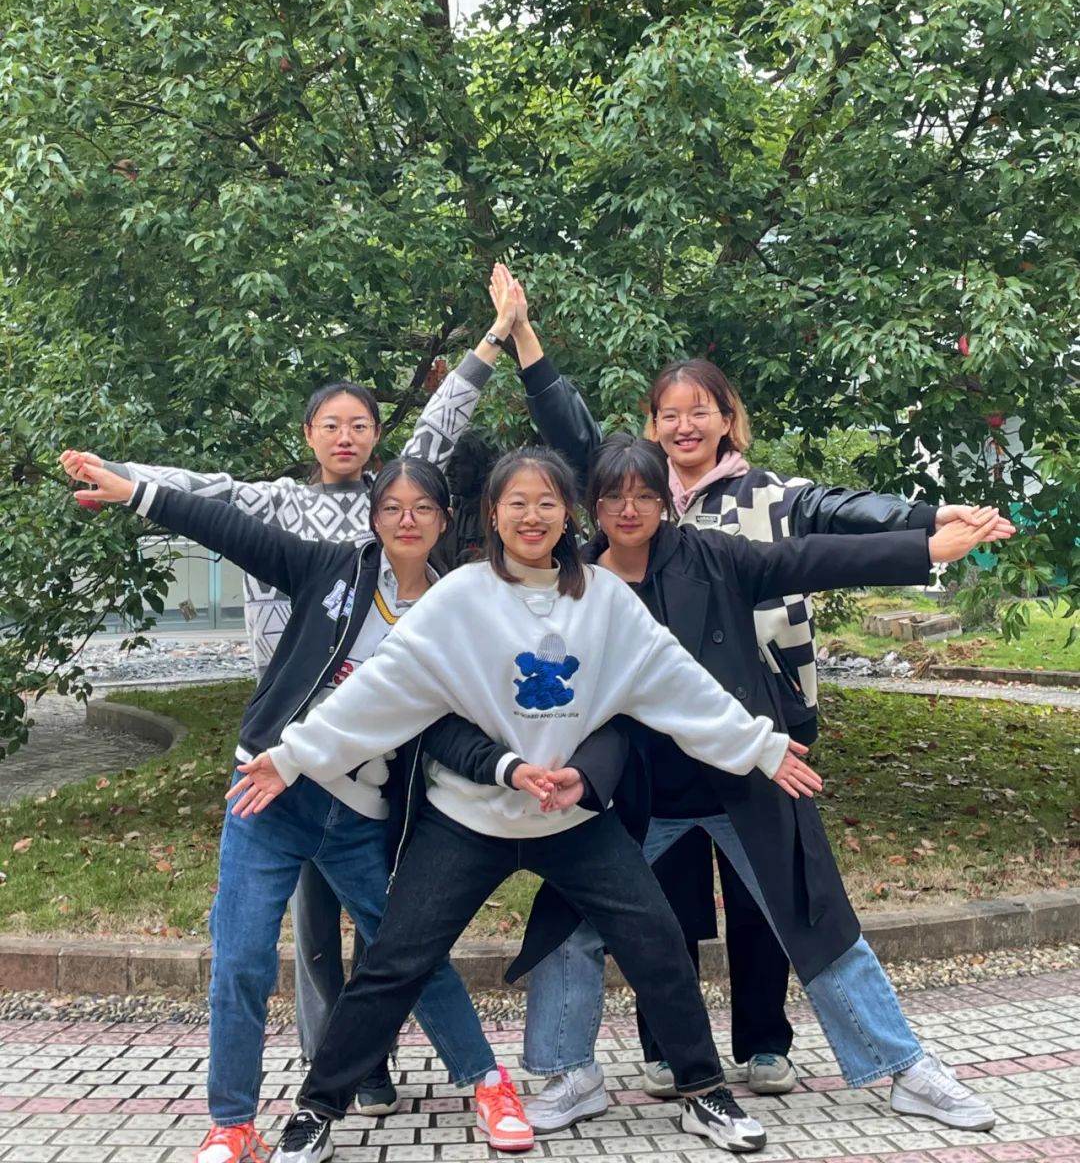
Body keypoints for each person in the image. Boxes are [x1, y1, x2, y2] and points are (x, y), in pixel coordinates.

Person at [76, 446, 845, 1160]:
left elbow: (677, 683)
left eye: (547, 503)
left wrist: (761, 746)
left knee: (657, 943)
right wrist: (295, 754)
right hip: (469, 818)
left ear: (568, 514)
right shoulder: (458, 599)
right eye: (517, 503)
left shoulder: (606, 599)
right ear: (492, 516)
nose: (532, 516)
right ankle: (317, 1109)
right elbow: (382, 691)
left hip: (571, 819)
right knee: (393, 962)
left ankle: (705, 1092)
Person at [496, 263, 1012, 1098]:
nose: (629, 507)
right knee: (574, 920)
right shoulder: (575, 584)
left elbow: (818, 550)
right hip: (634, 784)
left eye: (643, 495)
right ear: (595, 498)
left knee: (811, 915)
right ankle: (567, 1074)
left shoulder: (721, 547)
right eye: (613, 495)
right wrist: (522, 335)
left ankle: (901, 1067)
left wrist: (926, 541)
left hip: (743, 764)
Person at [58, 298, 517, 1095]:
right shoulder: (280, 507)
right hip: (286, 745)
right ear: (309, 435)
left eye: (360, 425)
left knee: (382, 922)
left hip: (370, 754)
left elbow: (440, 428)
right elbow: (205, 500)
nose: (346, 437)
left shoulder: (394, 513)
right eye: (330, 425)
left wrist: (494, 338)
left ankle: (376, 1061)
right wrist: (125, 481)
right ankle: (327, 1063)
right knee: (309, 930)